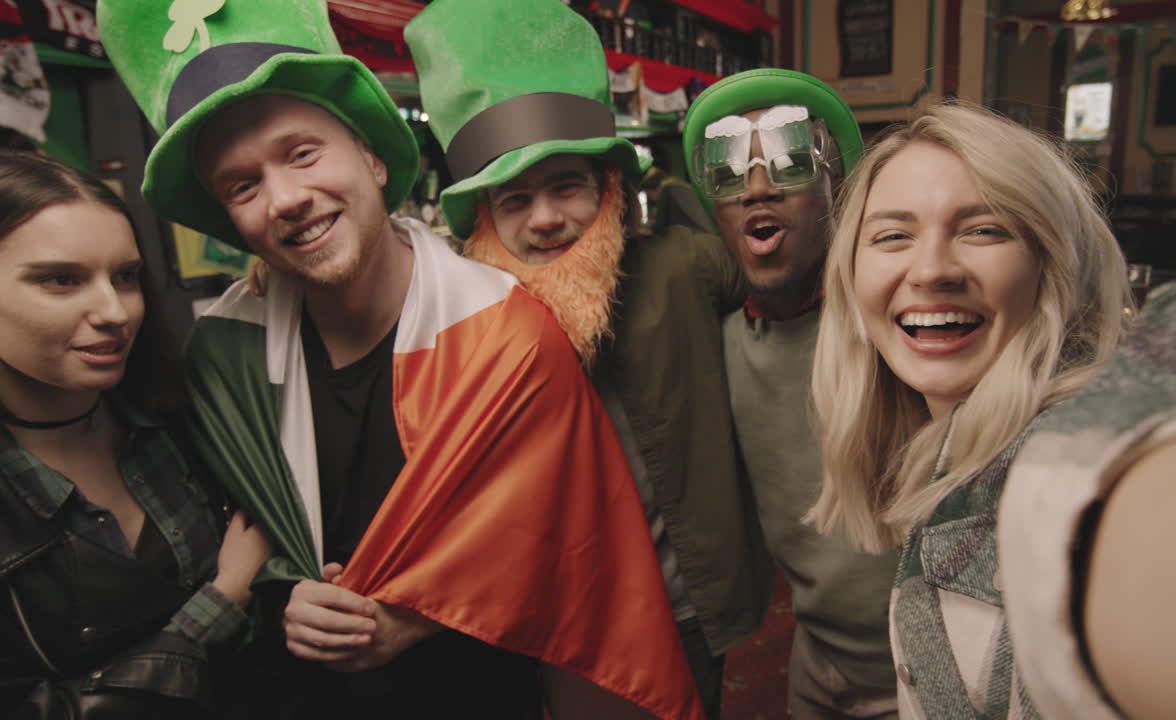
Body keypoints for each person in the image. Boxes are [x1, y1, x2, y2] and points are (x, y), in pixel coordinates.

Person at [98, 1, 702, 719]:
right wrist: (286, 592)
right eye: (244, 185)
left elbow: (566, 549)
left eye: (302, 153)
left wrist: (419, 613)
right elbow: (226, 537)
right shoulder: (223, 353)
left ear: (373, 158)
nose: (286, 198)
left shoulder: (507, 333)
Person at [811, 101, 1176, 719]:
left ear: (1052, 263)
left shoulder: (1073, 451)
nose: (931, 270)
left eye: (984, 230)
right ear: (850, 275)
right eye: (893, 236)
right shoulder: (940, 448)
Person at [405, 2, 774, 716]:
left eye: (566, 186)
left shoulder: (682, 266)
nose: (544, 218)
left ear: (609, 192)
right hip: (571, 620)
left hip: (690, 603)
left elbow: (792, 277)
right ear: (485, 220)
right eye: (515, 199)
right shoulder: (466, 318)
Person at [0, 149, 271, 718]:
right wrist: (222, 603)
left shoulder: (175, 422)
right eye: (61, 280)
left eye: (125, 276)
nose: (114, 310)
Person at [682, 69, 899, 719]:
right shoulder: (719, 346)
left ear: (836, 188)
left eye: (790, 160)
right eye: (726, 172)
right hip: (816, 660)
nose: (756, 187)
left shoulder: (899, 327)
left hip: (927, 664)